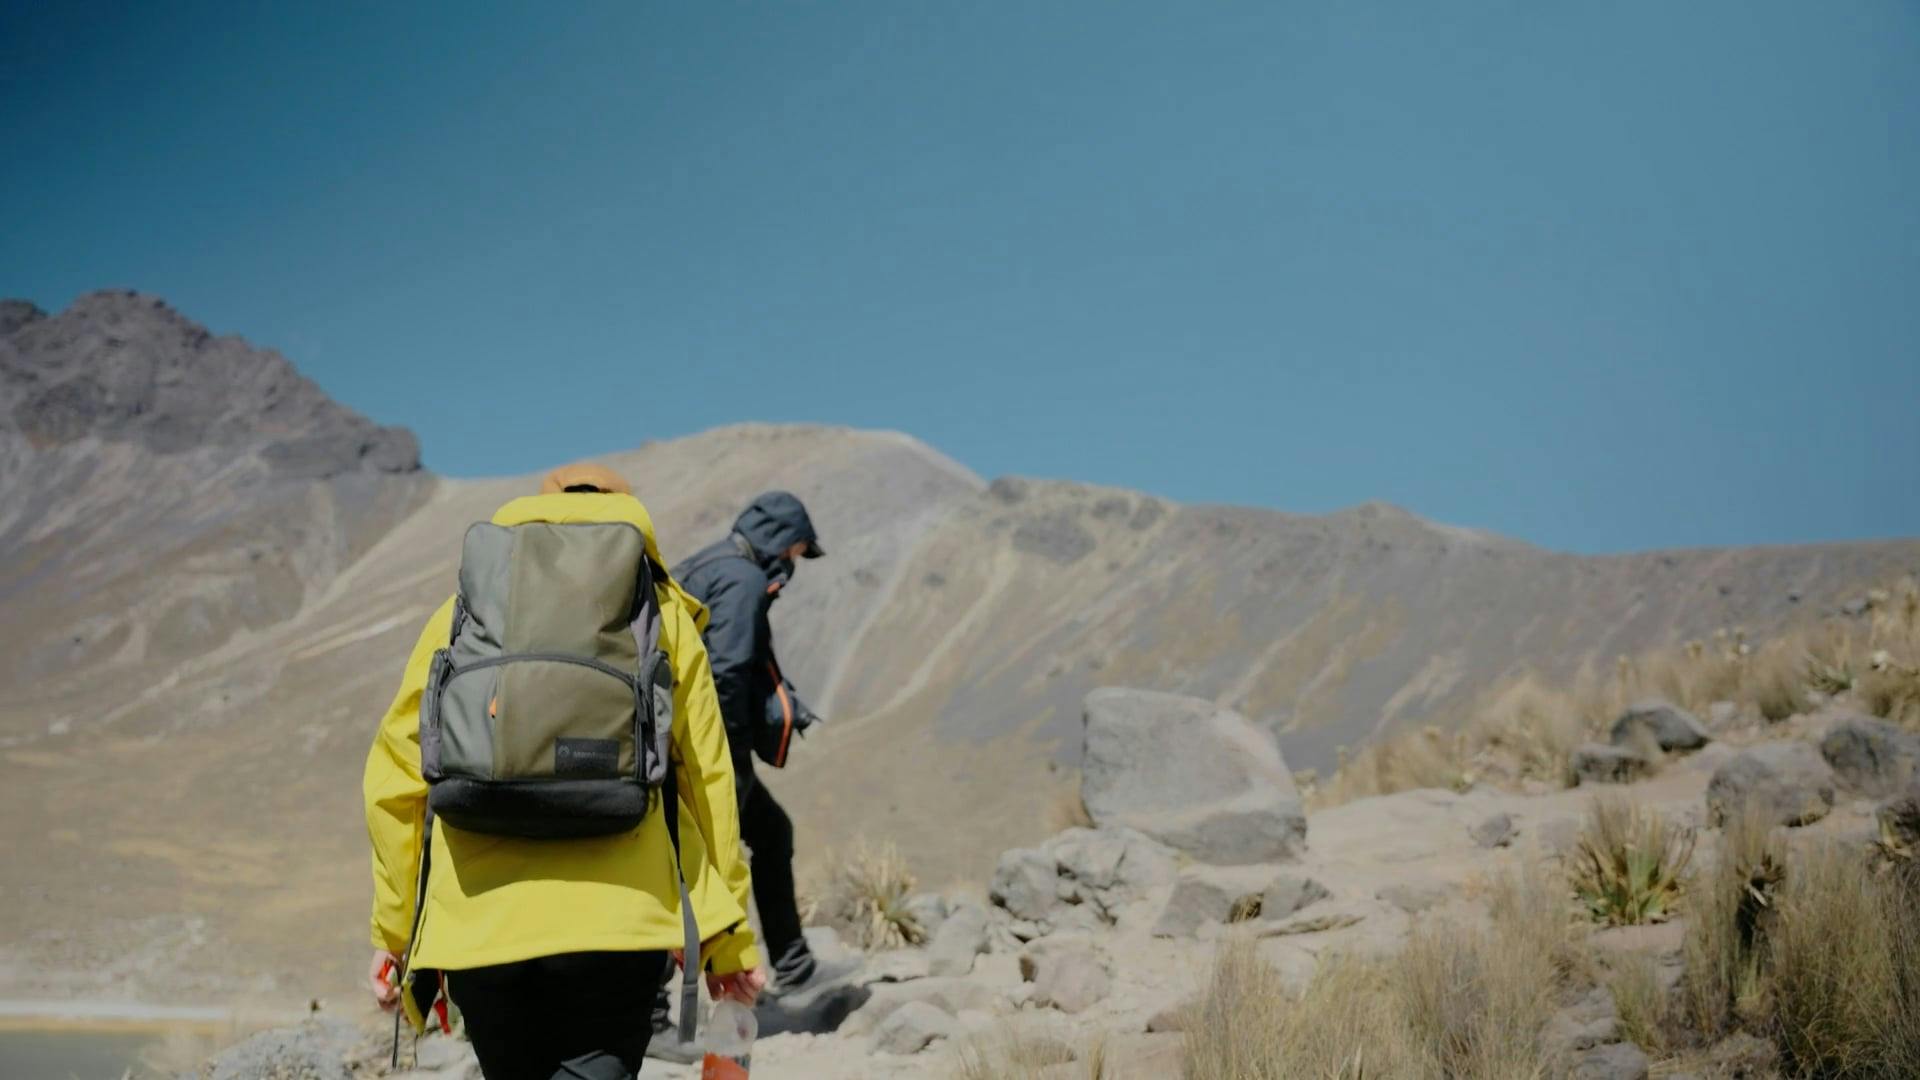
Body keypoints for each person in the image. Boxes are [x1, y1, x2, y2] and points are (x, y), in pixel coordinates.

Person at [363, 463, 767, 1080]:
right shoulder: (661, 613)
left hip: (481, 923)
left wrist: (395, 934)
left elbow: (394, 781)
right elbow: (707, 781)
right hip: (619, 922)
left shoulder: (463, 613)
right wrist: (726, 943)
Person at [650, 491, 828, 1047]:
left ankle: (793, 965)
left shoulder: (709, 564)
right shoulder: (744, 581)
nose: (797, 561)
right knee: (687, 869)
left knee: (769, 834)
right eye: (798, 549)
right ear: (782, 540)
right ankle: (653, 1016)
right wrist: (730, 764)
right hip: (703, 753)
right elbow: (725, 672)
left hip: (666, 744)